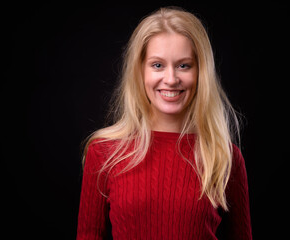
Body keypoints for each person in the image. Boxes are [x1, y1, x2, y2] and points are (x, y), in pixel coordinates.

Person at [77, 6, 252, 240]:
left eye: (184, 65)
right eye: (157, 65)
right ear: (140, 71)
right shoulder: (104, 152)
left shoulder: (223, 157)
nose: (171, 79)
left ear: (201, 72)